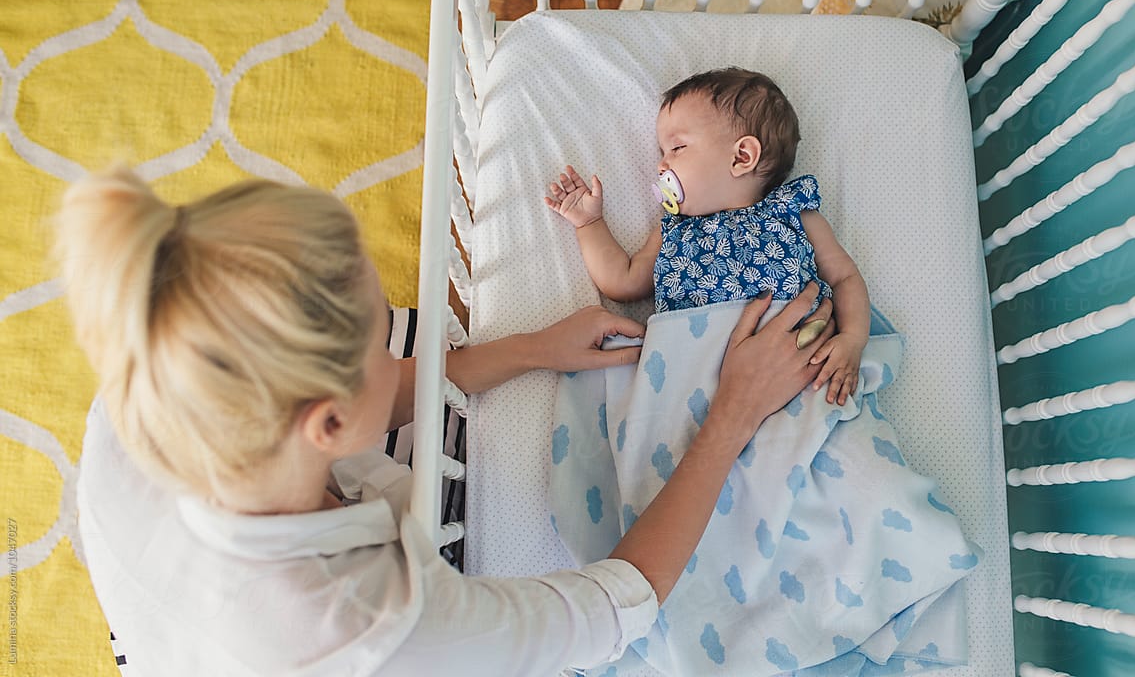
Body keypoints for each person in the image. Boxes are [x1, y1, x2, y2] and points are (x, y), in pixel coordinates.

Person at [58, 164, 835, 676]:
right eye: (376, 340)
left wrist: (529, 348)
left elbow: (368, 400)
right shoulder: (374, 622)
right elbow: (608, 609)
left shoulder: (154, 375)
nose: (404, 340)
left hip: (177, 618)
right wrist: (732, 411)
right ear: (325, 424)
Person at [546, 67, 870, 405]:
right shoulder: (674, 230)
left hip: (800, 375)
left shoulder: (794, 212)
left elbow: (845, 277)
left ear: (742, 156)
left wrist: (852, 338)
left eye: (677, 148)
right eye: (662, 153)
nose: (661, 166)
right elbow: (623, 283)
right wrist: (589, 224)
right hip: (700, 385)